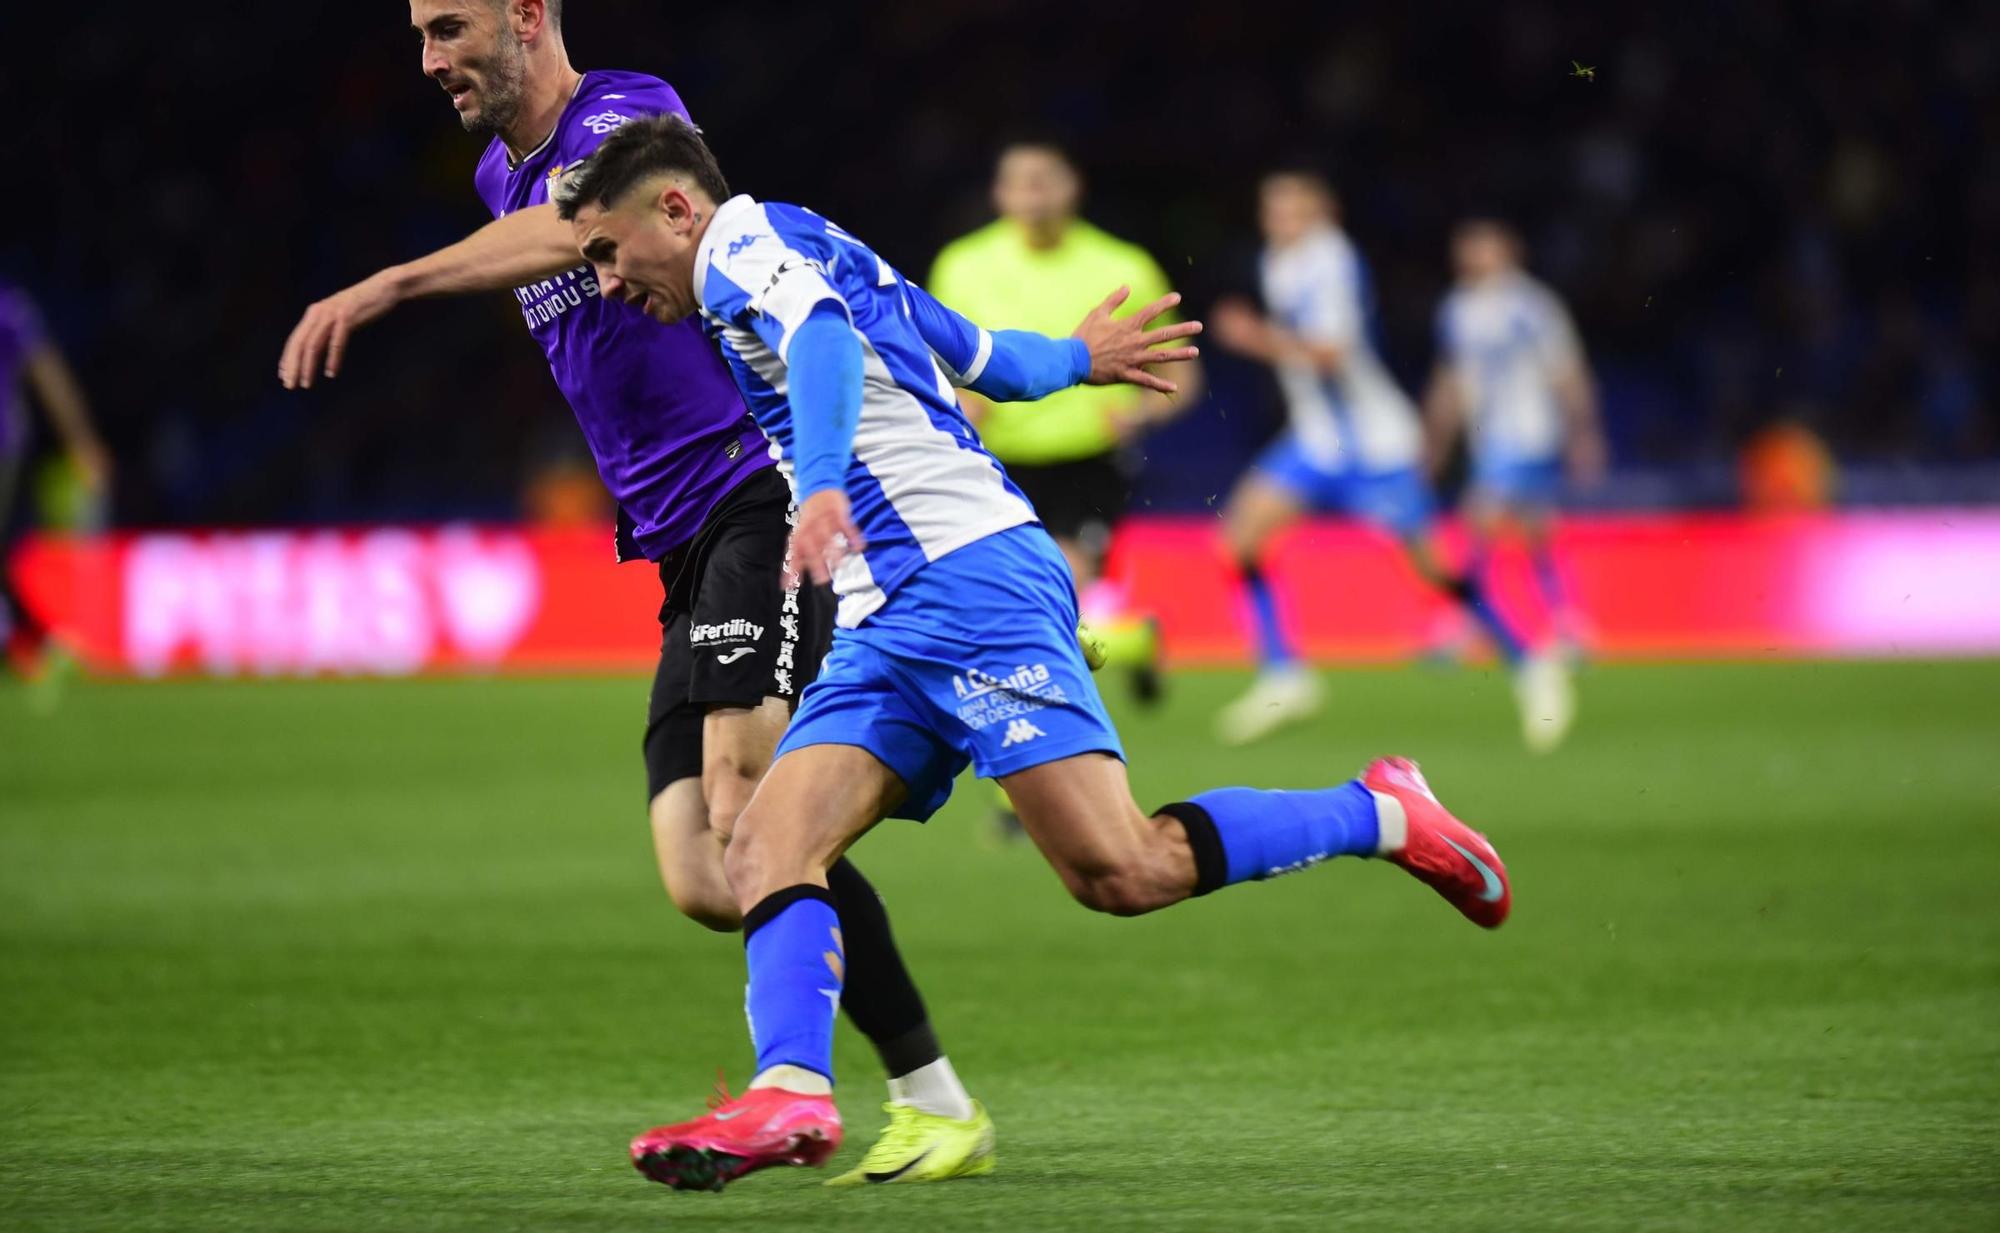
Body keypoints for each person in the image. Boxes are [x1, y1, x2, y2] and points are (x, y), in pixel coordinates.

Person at [553, 114, 1514, 1193]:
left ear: (674, 209)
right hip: (887, 619)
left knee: (1121, 870)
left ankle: (1382, 811)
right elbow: (982, 359)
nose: (602, 282)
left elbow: (819, 338)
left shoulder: (738, 247)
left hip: (967, 583)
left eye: (603, 250)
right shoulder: (807, 244)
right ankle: (791, 1093)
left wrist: (819, 480)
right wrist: (1080, 359)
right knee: (767, 845)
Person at [276, 0, 992, 1187]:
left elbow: (575, 228)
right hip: (673, 541)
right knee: (710, 870)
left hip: (751, 489)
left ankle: (796, 1093)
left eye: (450, 28)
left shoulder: (630, 111)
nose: (430, 61)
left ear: (527, 15)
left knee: (746, 795)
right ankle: (933, 1097)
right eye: (416, 36)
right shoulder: (493, 173)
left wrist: (389, 286)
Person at [1207, 173, 1573, 752]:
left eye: (1296, 210)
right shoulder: (1281, 262)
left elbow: (1328, 356)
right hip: (1317, 441)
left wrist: (1252, 336)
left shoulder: (1331, 263)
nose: (1282, 220)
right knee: (1238, 539)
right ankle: (1286, 675)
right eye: (1274, 210)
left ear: (1323, 212)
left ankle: (1530, 660)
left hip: (1373, 444)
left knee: (1434, 567)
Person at [928, 142, 1198, 708]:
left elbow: (1183, 373)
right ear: (999, 193)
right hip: (998, 459)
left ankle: (1040, 752)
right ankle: (1130, 637)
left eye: (1044, 180)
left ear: (1072, 186)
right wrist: (958, 399)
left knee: (1054, 591)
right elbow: (935, 363)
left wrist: (1143, 413)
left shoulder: (1123, 267)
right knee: (1025, 599)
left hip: (1087, 457)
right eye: (1019, 182)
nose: (1033, 195)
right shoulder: (960, 266)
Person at [1424, 219, 1605, 658]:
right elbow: (1451, 377)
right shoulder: (1458, 308)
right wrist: (1436, 437)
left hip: (1530, 430)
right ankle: (1568, 623)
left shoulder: (1532, 305)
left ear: (1508, 250)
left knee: (1477, 516)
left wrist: (1584, 431)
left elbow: (1567, 371)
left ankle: (1469, 619)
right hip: (1487, 436)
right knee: (1535, 528)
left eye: (1484, 245)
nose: (1473, 253)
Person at [0, 280, 110, 698]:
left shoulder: (8, 307)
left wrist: (81, 440)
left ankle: (41, 642)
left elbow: (48, 374)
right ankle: (40, 642)